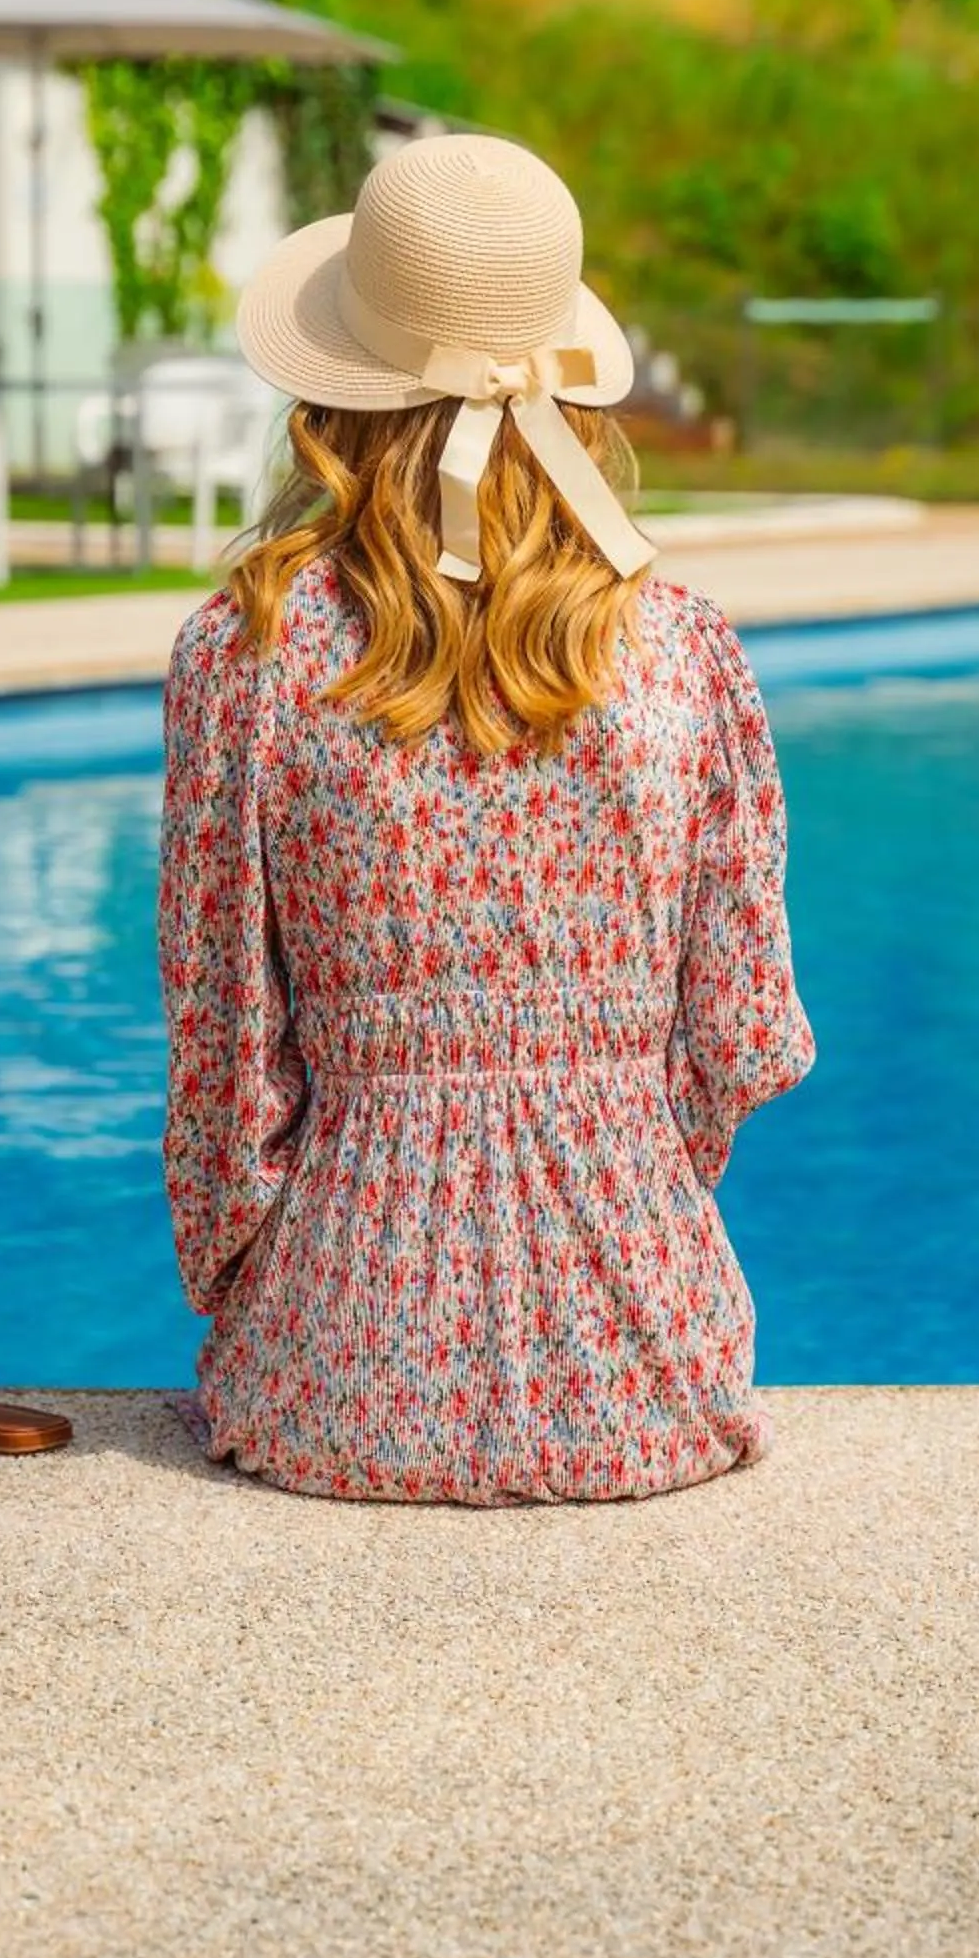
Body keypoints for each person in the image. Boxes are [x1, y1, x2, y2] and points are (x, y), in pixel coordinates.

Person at [158, 133, 815, 1507]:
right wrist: (617, 1166)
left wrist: (258, 1276)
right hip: (648, 1373)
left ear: (331, 393)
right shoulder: (684, 650)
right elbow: (742, 1037)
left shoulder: (246, 655)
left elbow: (225, 1056)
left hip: (335, 1376)